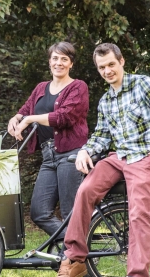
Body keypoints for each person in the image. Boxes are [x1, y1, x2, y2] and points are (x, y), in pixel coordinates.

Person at [52, 43, 150, 277]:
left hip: (146, 159)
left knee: (138, 213)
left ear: (121, 61)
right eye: (102, 67)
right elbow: (101, 136)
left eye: (111, 64)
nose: (107, 71)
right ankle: (76, 259)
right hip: (119, 158)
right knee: (86, 190)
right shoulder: (106, 100)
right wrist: (86, 151)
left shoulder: (143, 85)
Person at [8, 41, 89, 242]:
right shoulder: (41, 87)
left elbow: (64, 117)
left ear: (71, 64)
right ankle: (79, 250)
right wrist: (16, 118)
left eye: (64, 59)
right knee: (39, 212)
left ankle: (74, 258)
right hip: (48, 156)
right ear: (49, 61)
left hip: (71, 155)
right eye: (55, 58)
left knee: (70, 212)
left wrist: (29, 120)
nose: (59, 63)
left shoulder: (78, 87)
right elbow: (27, 109)